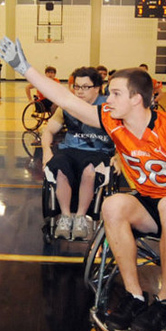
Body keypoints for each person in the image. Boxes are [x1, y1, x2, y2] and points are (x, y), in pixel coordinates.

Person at [0, 36, 166, 331]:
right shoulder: (113, 122)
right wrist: (24, 68)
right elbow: (68, 100)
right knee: (113, 205)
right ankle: (135, 295)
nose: (107, 100)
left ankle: (165, 302)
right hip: (151, 204)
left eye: (114, 93)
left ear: (136, 98)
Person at [41, 66, 114, 239]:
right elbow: (48, 131)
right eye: (77, 86)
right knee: (59, 167)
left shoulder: (108, 106)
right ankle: (66, 217)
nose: (79, 91)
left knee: (89, 169)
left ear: (97, 87)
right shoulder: (67, 106)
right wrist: (46, 151)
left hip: (98, 150)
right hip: (70, 149)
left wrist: (118, 156)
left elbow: (123, 134)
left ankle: (81, 217)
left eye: (85, 87)